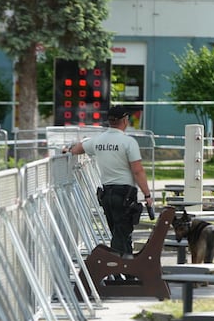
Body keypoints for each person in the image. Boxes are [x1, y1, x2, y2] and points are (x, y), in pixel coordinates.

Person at [63, 105, 154, 256]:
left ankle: (125, 266)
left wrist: (68, 150)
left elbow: (78, 149)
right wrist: (147, 195)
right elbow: (137, 171)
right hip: (125, 194)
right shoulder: (128, 142)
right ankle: (118, 266)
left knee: (118, 233)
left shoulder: (98, 140)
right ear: (125, 120)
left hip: (107, 194)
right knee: (122, 235)